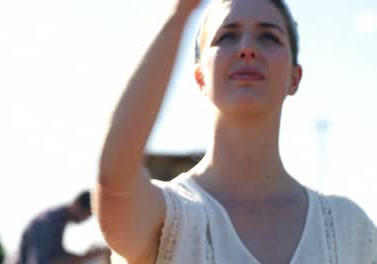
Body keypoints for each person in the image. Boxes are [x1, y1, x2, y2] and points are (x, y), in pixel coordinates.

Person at [94, 0, 377, 263]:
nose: (247, 49)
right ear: (200, 78)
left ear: (294, 77)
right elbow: (113, 180)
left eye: (269, 36)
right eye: (226, 36)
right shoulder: (169, 218)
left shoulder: (349, 228)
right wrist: (180, 14)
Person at [16, 191, 109, 264]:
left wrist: (84, 256)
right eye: (86, 215)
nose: (84, 220)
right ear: (77, 205)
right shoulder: (51, 223)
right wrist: (87, 257)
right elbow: (47, 261)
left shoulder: (56, 219)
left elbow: (57, 255)